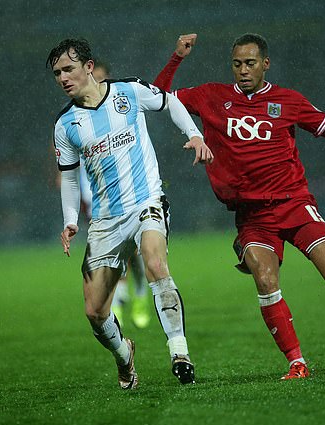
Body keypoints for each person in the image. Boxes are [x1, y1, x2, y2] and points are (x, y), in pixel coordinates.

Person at [154, 33, 325, 379]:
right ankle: (297, 362)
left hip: (294, 204)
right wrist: (177, 57)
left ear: (265, 64)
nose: (243, 70)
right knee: (265, 280)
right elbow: (156, 98)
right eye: (237, 64)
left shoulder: (287, 101)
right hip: (252, 216)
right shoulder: (211, 96)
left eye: (250, 63)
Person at [48, 38, 213, 389]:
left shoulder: (129, 92)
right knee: (94, 311)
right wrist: (70, 221)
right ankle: (125, 355)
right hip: (105, 221)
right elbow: (70, 178)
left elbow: (170, 102)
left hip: (146, 202)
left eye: (68, 69)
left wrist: (195, 135)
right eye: (57, 73)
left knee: (155, 263)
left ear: (88, 67)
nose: (63, 78)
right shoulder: (65, 125)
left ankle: (179, 352)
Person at [92, 62, 152, 329]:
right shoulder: (76, 117)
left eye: (102, 78)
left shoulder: (121, 107)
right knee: (110, 252)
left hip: (133, 190)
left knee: (136, 253)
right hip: (98, 195)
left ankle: (138, 296)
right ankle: (116, 305)